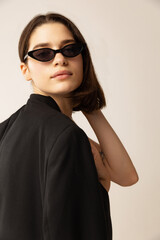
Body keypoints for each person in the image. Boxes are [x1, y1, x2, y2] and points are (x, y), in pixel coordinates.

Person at [0, 12, 139, 240]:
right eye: (44, 53)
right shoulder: (67, 137)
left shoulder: (5, 131)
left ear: (83, 58)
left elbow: (126, 176)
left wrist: (88, 103)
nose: (60, 59)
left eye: (70, 50)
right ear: (25, 70)